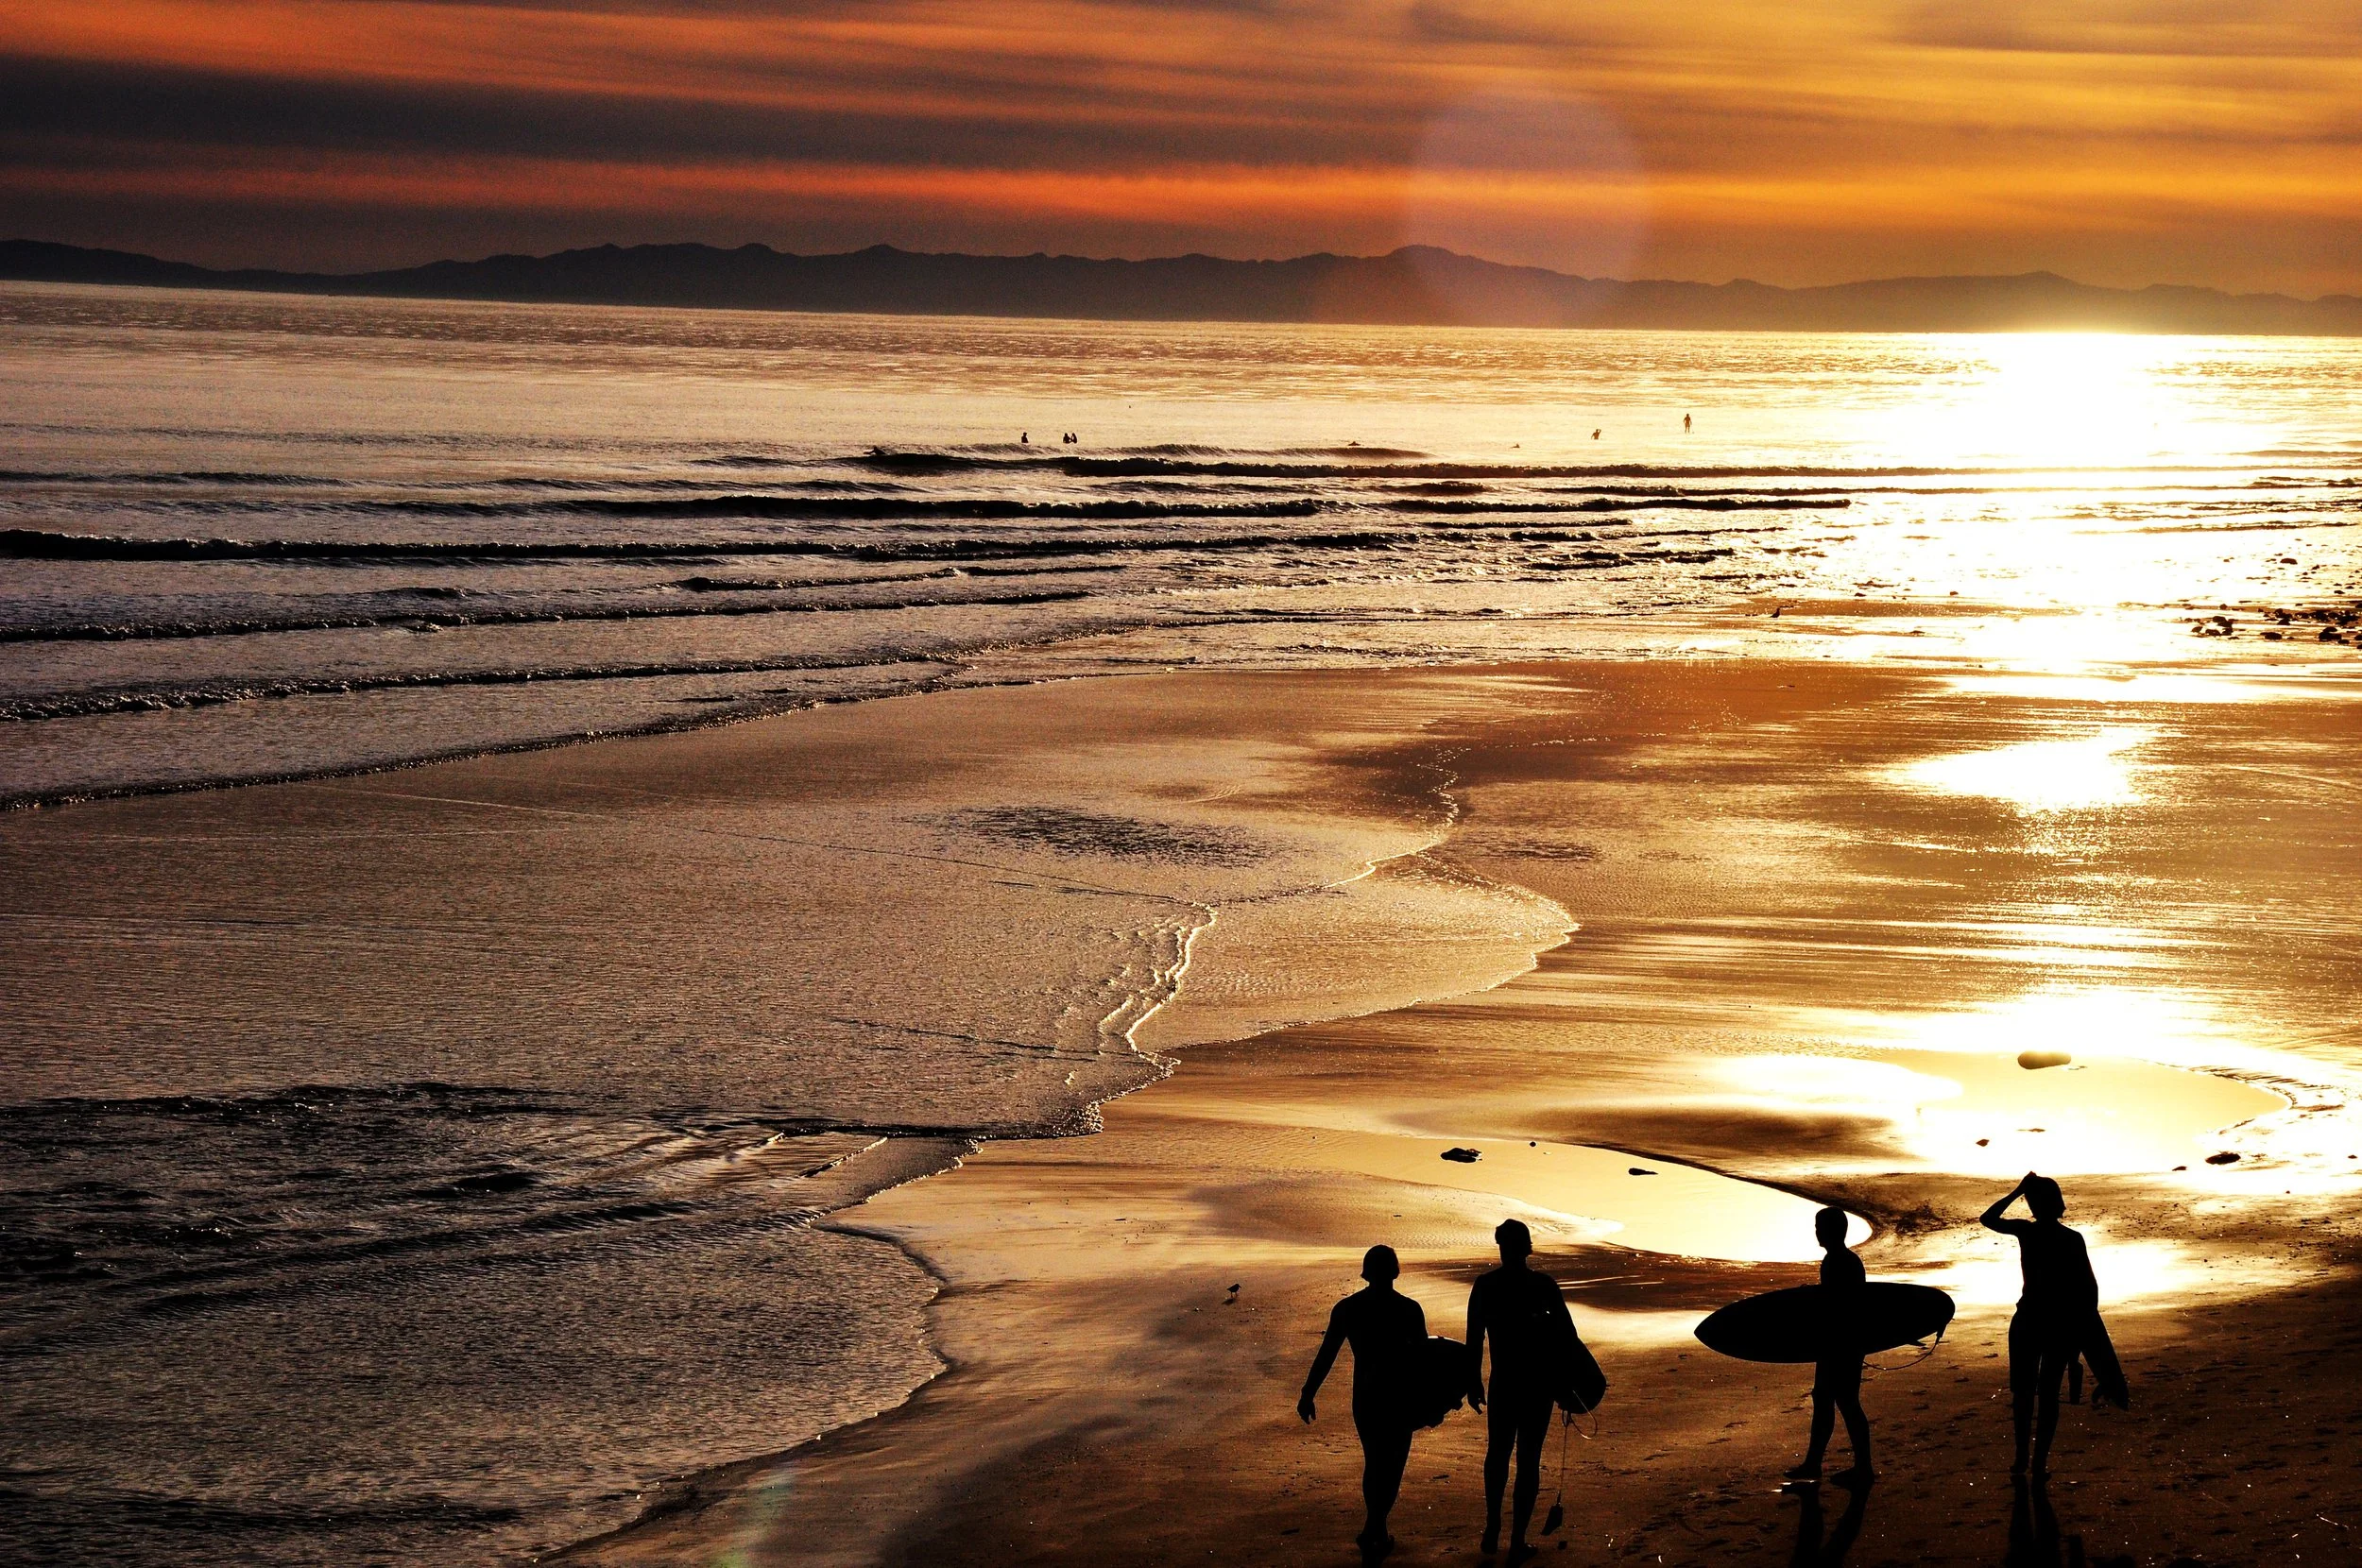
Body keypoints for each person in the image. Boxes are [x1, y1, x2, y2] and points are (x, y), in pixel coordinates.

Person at [1301, 1244, 1428, 1560]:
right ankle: (1377, 1525)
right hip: (1401, 1396)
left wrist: (1308, 1393)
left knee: (1374, 1460)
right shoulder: (1410, 1310)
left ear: (1366, 1271)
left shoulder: (1347, 1308)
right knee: (1393, 1463)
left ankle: (1375, 1525)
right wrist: (1435, 1404)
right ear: (1395, 1271)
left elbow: (1327, 1354)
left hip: (1367, 1394)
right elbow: (1426, 1363)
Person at [1466, 1219, 1576, 1560]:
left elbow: (1474, 1341)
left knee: (1497, 1454)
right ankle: (1516, 1539)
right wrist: (1569, 1386)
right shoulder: (1544, 1285)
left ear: (1501, 1246)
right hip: (1537, 1386)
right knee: (1529, 1460)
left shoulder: (1485, 1286)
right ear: (1527, 1247)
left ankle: (1492, 1525)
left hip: (1503, 1383)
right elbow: (1567, 1339)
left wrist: (1473, 1382)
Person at [1981, 1172, 2102, 1477]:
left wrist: (2017, 1190)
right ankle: (2038, 1464)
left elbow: (1988, 1218)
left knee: (2023, 1396)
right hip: (2059, 1325)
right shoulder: (2072, 1239)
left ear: (2034, 1205)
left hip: (2028, 1322)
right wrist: (2080, 1339)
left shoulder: (2027, 1232)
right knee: (2047, 1395)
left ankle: (2023, 1459)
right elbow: (2090, 1291)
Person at [1787, 1207, 1873, 1488]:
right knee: (1827, 1400)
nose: (1816, 1231)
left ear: (1831, 1230)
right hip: (1838, 1343)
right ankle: (1815, 1464)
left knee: (1845, 1402)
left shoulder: (1839, 1261)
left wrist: (1811, 1298)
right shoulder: (1840, 1259)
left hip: (1841, 1344)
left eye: (1819, 1226)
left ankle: (1862, 1467)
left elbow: (1839, 1305)